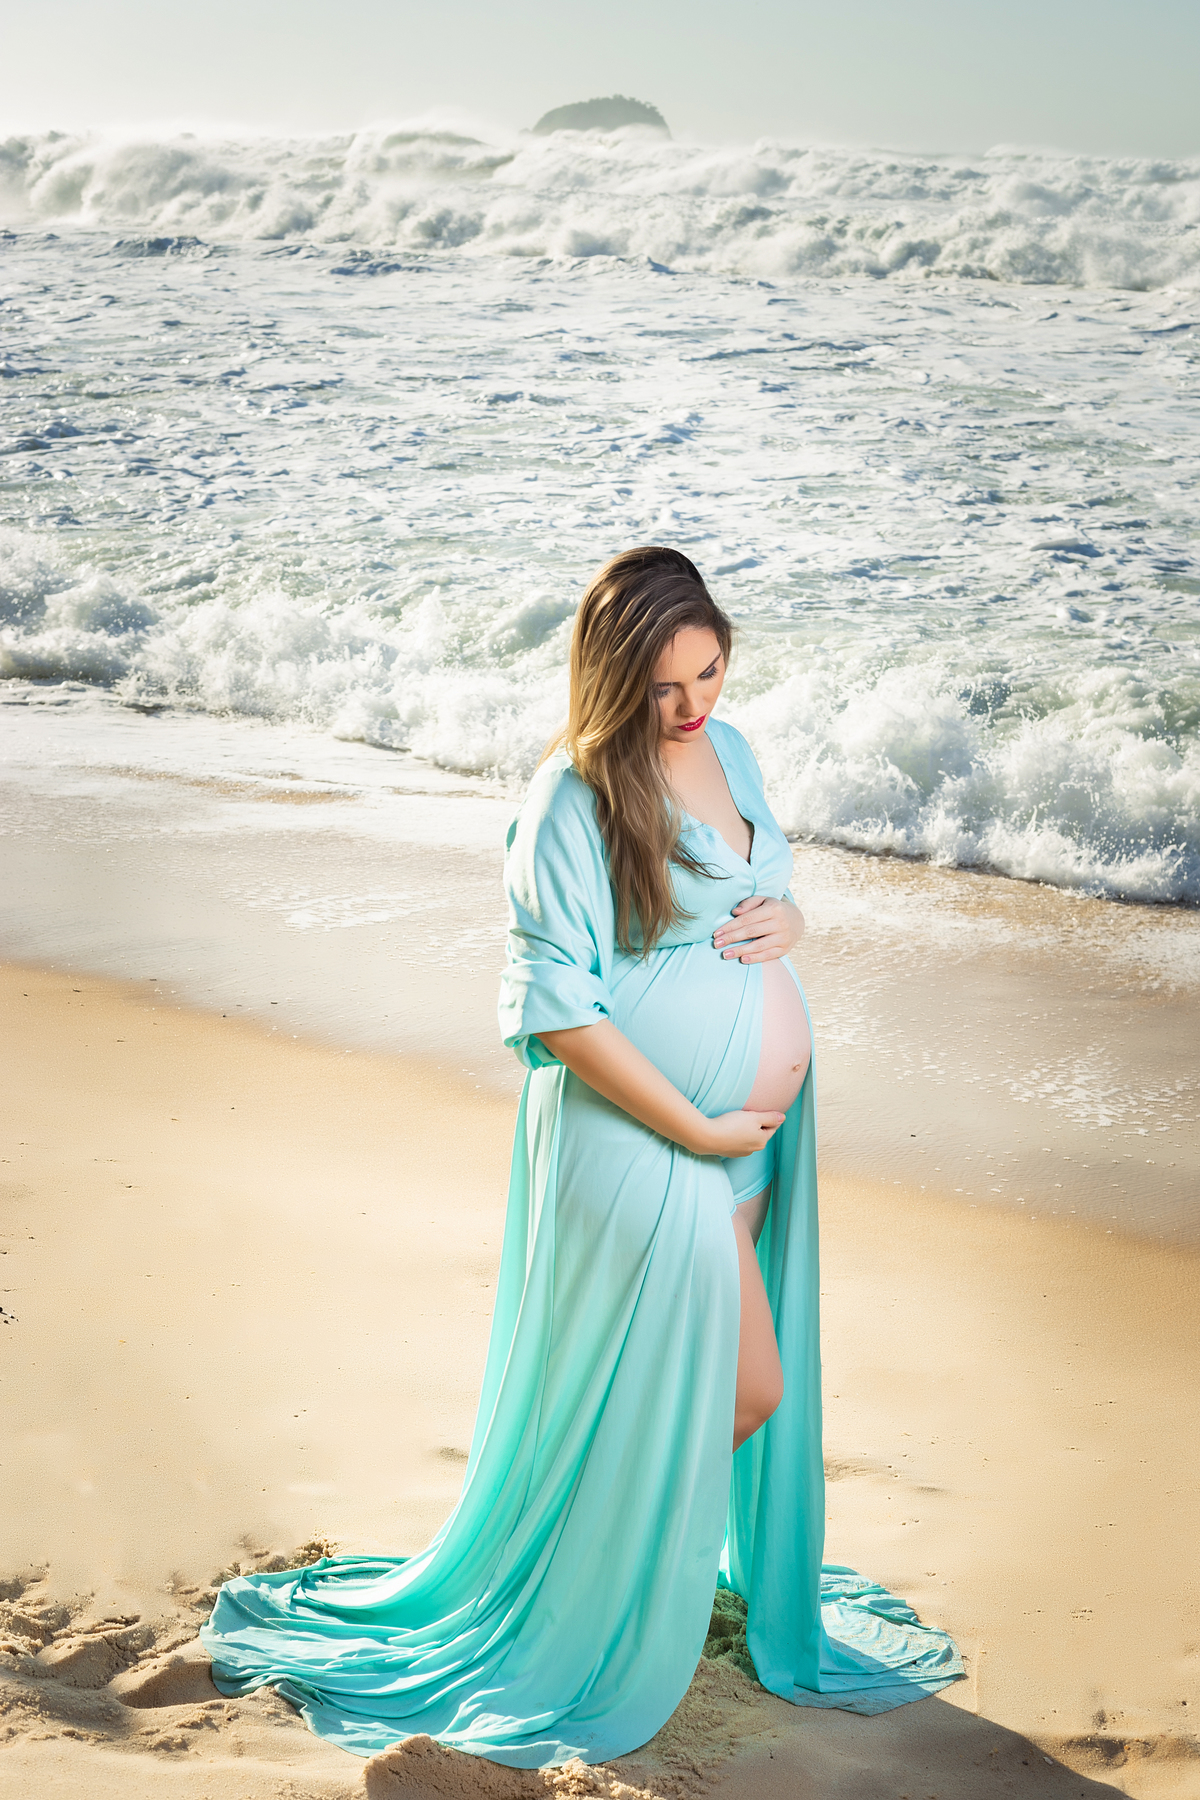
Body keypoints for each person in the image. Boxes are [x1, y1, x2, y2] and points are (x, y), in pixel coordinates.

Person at [197, 546, 962, 1765]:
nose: (694, 703)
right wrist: (698, 1125)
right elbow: (554, 1012)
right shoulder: (571, 799)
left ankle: (627, 1555)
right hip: (650, 1140)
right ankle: (590, 1576)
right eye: (665, 687)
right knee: (743, 1386)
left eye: (709, 671)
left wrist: (796, 919)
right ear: (613, 679)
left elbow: (760, 885)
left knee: (706, 1378)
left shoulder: (733, 746)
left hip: (744, 1147)